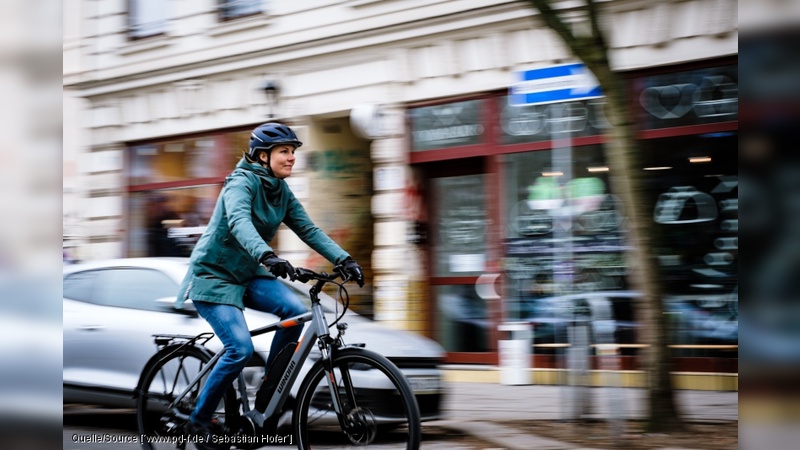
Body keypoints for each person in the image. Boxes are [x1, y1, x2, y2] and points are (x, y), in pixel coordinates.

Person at [175, 122, 364, 447]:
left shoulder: (281, 190)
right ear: (262, 156)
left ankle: (270, 390)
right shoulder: (240, 184)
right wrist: (268, 255)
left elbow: (309, 229)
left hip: (248, 273)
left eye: (293, 151)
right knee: (239, 349)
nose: (292, 157)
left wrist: (343, 259)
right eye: (285, 152)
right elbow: (239, 222)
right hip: (214, 276)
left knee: (293, 309)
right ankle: (198, 420)